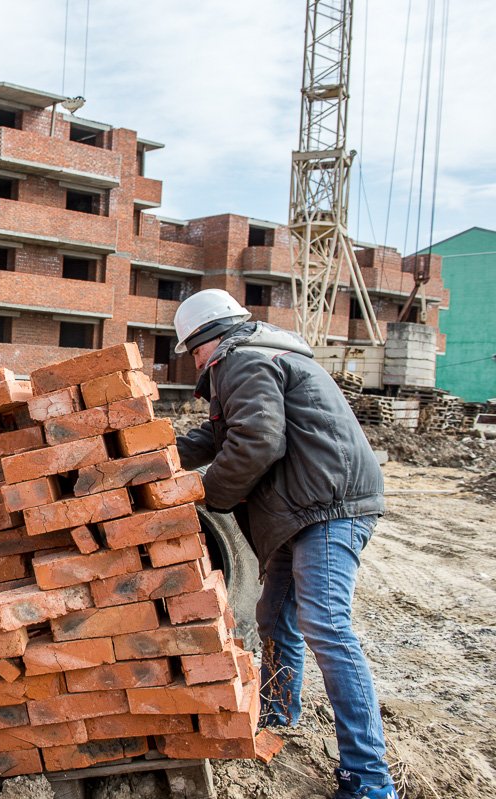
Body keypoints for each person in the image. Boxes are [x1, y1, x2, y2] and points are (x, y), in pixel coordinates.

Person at [171, 289, 396, 799]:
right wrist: (145, 449)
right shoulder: (259, 357)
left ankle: (369, 779)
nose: (194, 362)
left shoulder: (242, 361)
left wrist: (206, 496)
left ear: (205, 340)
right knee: (275, 615)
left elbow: (257, 440)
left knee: (328, 627)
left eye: (191, 351)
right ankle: (277, 711)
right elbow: (219, 436)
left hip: (326, 507)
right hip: (309, 507)